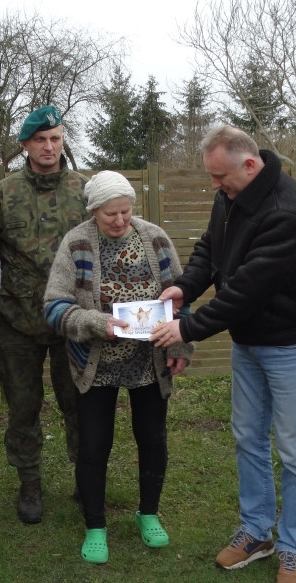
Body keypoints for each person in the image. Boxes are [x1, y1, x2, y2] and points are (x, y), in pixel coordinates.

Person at [150, 125, 296, 583]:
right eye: (210, 178)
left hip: (290, 343)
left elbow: (246, 290)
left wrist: (184, 326)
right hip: (250, 342)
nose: (214, 186)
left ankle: (293, 547)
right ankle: (256, 530)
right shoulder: (231, 193)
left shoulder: (288, 210)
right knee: (249, 436)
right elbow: (212, 248)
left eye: (219, 177)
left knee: (293, 449)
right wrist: (186, 286)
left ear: (250, 165)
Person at [44, 171, 194, 564]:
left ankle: (149, 515)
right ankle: (95, 524)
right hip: (96, 364)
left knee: (152, 439)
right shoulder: (75, 243)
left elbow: (181, 296)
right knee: (93, 445)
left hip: (149, 362)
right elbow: (55, 306)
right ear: (94, 211)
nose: (121, 220)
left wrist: (180, 343)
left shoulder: (155, 238)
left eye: (126, 212)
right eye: (111, 214)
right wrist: (95, 322)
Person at [0, 105, 88, 524]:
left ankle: (86, 476)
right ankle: (29, 482)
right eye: (40, 140)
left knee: (79, 405)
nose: (48, 146)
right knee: (23, 407)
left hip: (72, 322)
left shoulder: (84, 190)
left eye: (56, 139)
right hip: (18, 322)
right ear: (25, 145)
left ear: (63, 142)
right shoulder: (3, 193)